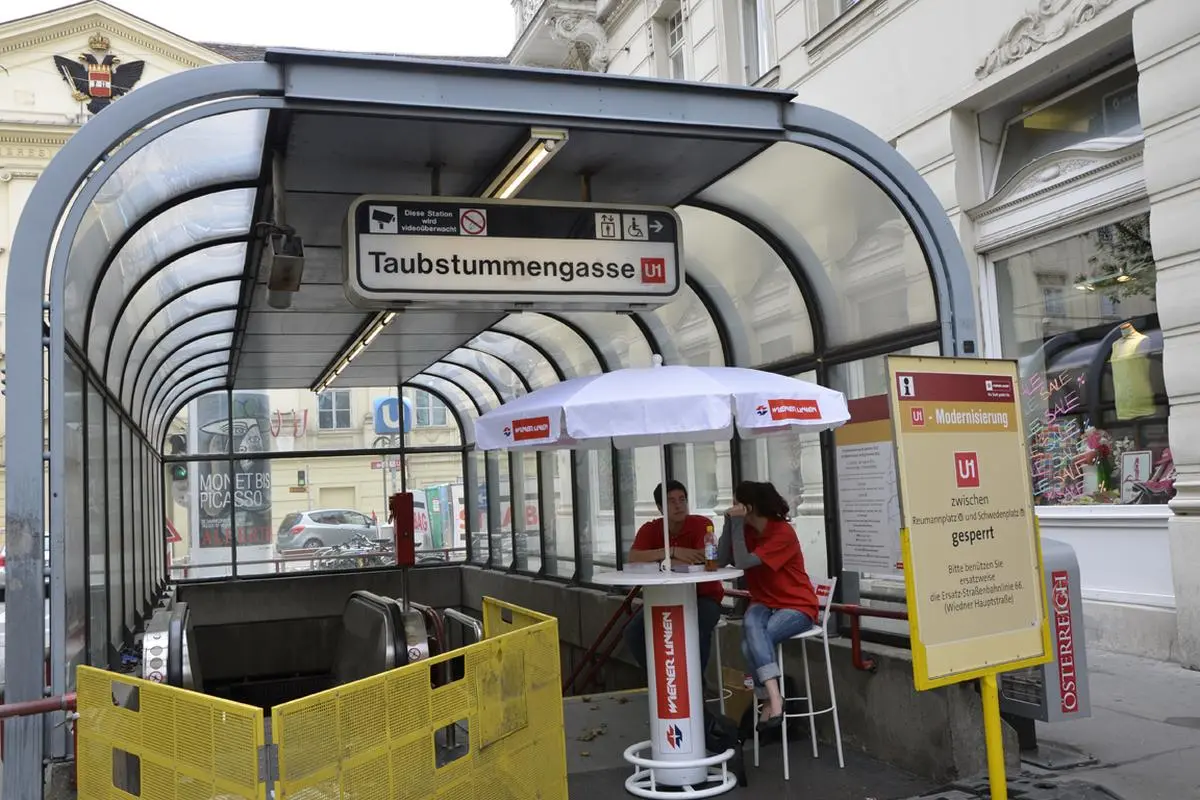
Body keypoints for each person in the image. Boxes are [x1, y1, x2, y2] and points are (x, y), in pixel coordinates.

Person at [718, 480, 819, 733]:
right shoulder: (748, 532)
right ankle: (773, 698)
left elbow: (743, 561)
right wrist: (729, 524)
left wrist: (737, 524)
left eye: (735, 504)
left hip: (796, 606)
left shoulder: (781, 533)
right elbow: (720, 559)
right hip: (763, 602)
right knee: (752, 627)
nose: (732, 508)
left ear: (748, 507)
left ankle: (770, 698)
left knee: (748, 643)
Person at [624, 480, 725, 675]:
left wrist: (658, 559)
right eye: (671, 501)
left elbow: (700, 559)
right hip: (664, 598)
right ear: (660, 507)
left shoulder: (702, 524)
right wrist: (671, 551)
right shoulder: (651, 528)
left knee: (696, 629)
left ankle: (697, 688)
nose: (679, 505)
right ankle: (664, 678)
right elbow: (634, 557)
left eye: (682, 499)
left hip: (703, 597)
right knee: (633, 633)